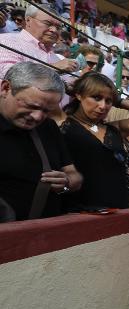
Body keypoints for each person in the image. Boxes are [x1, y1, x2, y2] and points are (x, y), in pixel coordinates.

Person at [54, 72, 129, 209]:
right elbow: (44, 83)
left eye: (108, 101)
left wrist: (118, 100)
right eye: (96, 97)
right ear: (79, 95)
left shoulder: (112, 129)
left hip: (118, 208)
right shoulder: (64, 122)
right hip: (83, 208)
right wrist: (72, 90)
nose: (103, 106)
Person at [0, 62, 82, 221]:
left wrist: (65, 183)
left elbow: (75, 178)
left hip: (44, 237)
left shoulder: (48, 127)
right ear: (5, 88)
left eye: (46, 111)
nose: (37, 117)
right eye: (31, 106)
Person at [0, 5, 79, 78]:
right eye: (48, 23)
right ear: (28, 20)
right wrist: (54, 68)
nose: (54, 30)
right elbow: (10, 76)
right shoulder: (7, 41)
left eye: (58, 27)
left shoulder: (57, 57)